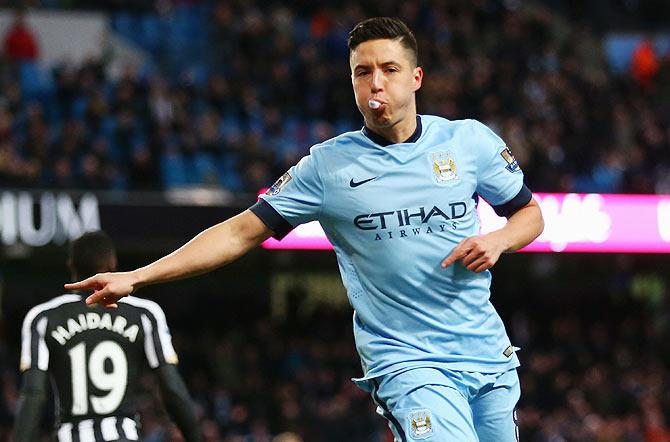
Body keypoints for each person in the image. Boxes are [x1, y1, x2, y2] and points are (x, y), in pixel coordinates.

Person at [66, 17, 544, 441]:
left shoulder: (468, 142)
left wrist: (498, 239)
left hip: (486, 352)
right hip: (408, 361)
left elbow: (529, 215)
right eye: (363, 72)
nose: (376, 83)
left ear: (416, 77)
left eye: (389, 69)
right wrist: (137, 277)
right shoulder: (327, 168)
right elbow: (238, 233)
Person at [13, 231, 202, 442]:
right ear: (113, 263)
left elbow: (34, 395)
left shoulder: (43, 317)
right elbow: (172, 390)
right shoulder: (145, 313)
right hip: (124, 435)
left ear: (71, 266)